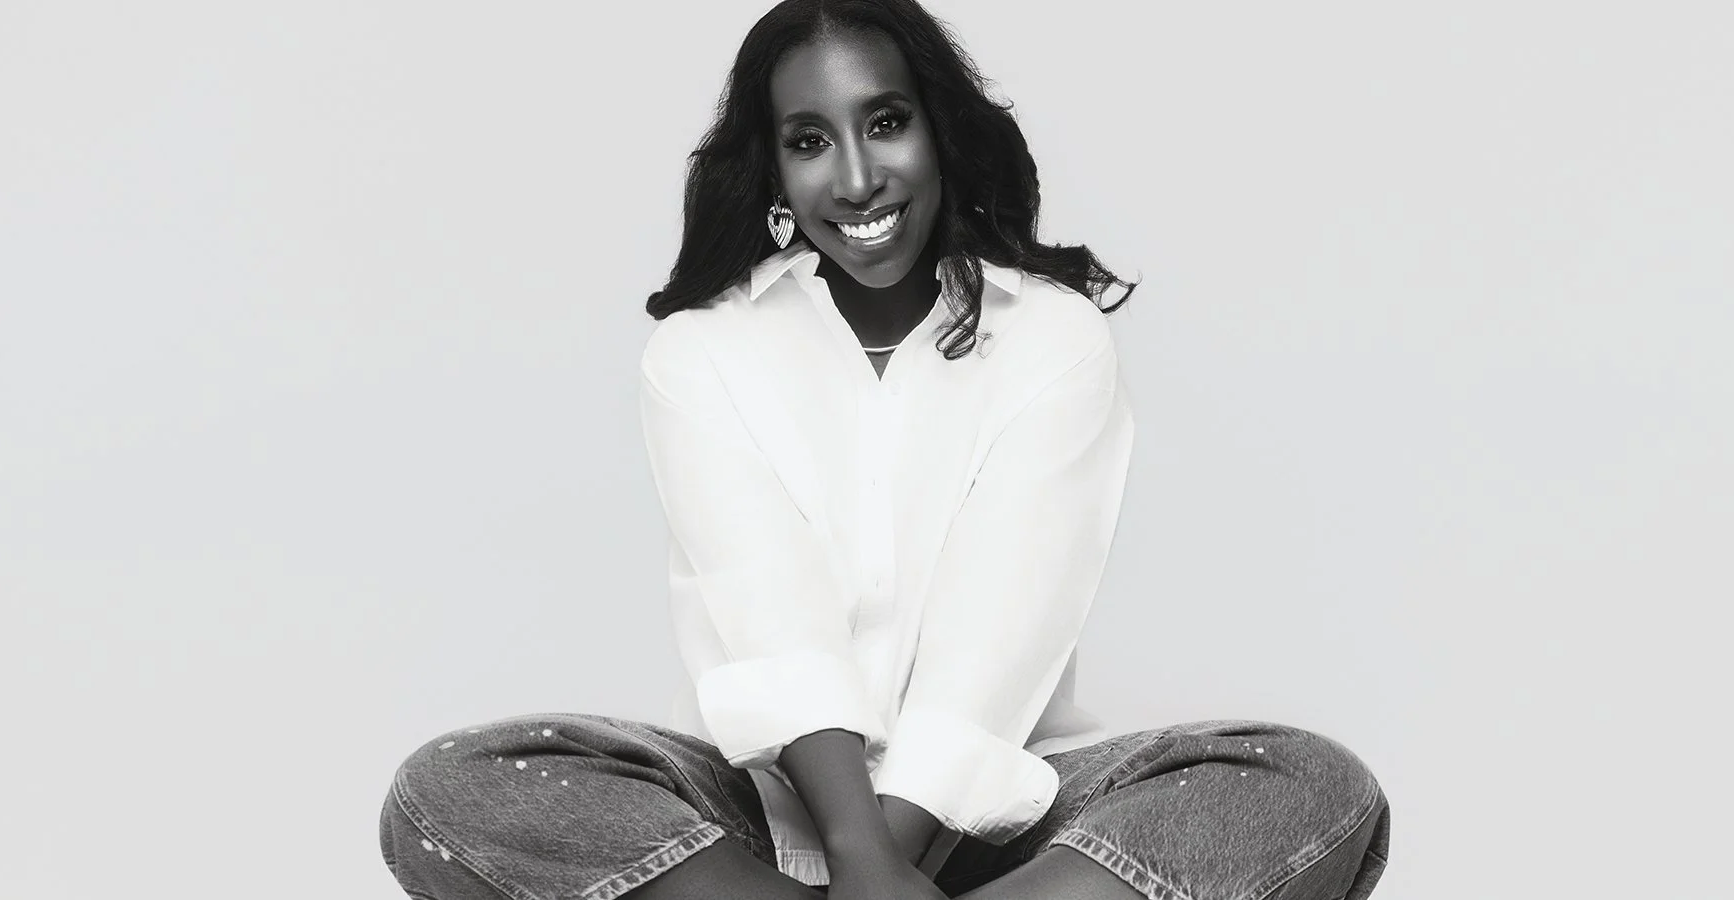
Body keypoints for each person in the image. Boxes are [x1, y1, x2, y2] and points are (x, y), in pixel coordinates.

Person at [377, 2, 1390, 898]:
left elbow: (1002, 640)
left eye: (886, 123)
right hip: (751, 822)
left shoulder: (1049, 337)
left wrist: (883, 865)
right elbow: (773, 620)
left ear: (938, 130)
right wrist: (858, 859)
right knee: (452, 788)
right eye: (810, 139)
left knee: (1307, 789)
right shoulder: (703, 354)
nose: (858, 178)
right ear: (771, 167)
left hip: (1006, 824)